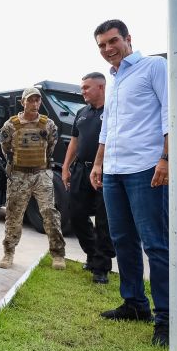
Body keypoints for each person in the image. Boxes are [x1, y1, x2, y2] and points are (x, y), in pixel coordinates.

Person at [89, 19, 170, 347]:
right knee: (122, 238)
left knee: (154, 243)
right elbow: (108, 125)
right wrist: (98, 162)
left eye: (112, 41)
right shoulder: (115, 79)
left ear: (127, 39)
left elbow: (170, 112)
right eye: (102, 45)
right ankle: (135, 304)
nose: (108, 49)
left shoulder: (154, 66)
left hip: (145, 168)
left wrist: (165, 158)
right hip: (113, 170)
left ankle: (165, 317)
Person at [0, 87, 65, 270]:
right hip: (18, 174)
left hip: (41, 174)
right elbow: (5, 149)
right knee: (13, 214)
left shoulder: (48, 124)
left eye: (37, 100)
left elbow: (51, 147)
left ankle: (58, 254)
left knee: (50, 212)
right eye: (31, 100)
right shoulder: (11, 125)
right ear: (23, 102)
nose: (35, 104)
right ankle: (8, 253)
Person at [62, 73, 115, 283]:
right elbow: (74, 142)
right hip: (81, 171)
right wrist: (66, 167)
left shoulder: (113, 110)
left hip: (106, 171)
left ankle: (101, 266)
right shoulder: (81, 113)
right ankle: (92, 254)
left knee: (104, 220)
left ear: (101, 87)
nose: (82, 91)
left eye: (86, 87)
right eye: (82, 87)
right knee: (75, 215)